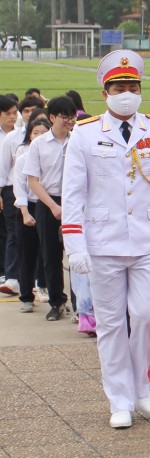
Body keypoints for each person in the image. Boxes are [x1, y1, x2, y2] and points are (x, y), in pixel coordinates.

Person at [61, 50, 150, 429]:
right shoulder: (84, 134)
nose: (127, 92)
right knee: (112, 324)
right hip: (103, 241)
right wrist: (75, 245)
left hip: (148, 240)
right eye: (119, 87)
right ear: (105, 92)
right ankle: (120, 397)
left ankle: (140, 384)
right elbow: (74, 195)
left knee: (148, 316)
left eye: (133, 86)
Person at [24, 96, 77, 321]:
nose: (69, 121)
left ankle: (81, 305)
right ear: (52, 117)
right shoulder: (38, 144)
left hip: (75, 202)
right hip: (48, 203)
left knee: (77, 256)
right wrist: (54, 206)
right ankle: (57, 302)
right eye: (65, 117)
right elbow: (33, 180)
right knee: (51, 256)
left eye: (72, 117)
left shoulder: (78, 140)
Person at [0, 95, 44, 295]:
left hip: (43, 194)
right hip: (13, 191)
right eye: (25, 111)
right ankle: (12, 277)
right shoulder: (14, 139)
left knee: (38, 238)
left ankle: (36, 279)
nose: (27, 115)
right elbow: (4, 169)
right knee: (14, 234)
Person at [12, 116, 50, 313]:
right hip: (28, 207)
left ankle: (46, 289)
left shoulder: (54, 157)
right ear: (29, 135)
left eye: (44, 133)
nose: (39, 136)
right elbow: (19, 188)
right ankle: (26, 296)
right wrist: (25, 213)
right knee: (27, 253)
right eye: (35, 133)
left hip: (49, 206)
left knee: (49, 253)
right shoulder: (23, 159)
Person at [0, 94, 17, 287]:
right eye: (8, 113)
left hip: (13, 188)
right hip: (3, 186)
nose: (12, 117)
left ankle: (9, 271)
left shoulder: (20, 133)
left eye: (15, 113)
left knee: (10, 231)